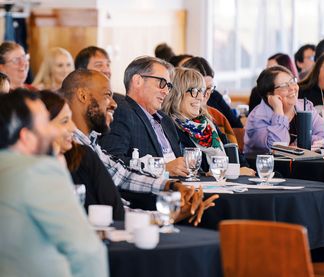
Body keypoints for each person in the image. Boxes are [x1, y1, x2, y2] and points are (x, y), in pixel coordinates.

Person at [61, 69, 217, 225]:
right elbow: (111, 214)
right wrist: (166, 217)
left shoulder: (89, 143)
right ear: (83, 96)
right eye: (107, 95)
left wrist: (171, 187)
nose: (114, 103)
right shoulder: (71, 149)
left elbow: (122, 175)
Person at [0, 90, 108, 276]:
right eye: (44, 123)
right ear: (27, 137)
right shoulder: (39, 171)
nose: (52, 130)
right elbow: (87, 251)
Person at [39, 90, 125, 220]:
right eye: (64, 121)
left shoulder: (84, 155)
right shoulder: (28, 169)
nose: (73, 128)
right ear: (39, 127)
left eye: (71, 119)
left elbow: (117, 211)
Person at [161, 67, 255, 175]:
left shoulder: (206, 123)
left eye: (202, 91)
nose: (201, 97)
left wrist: (241, 170)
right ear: (177, 94)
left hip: (228, 184)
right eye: (194, 91)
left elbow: (239, 160)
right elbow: (192, 170)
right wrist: (232, 171)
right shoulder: (169, 126)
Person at [244, 66, 324, 154]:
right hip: (267, 166)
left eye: (292, 81)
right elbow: (278, 147)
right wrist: (278, 111)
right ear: (269, 95)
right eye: (284, 85)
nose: (292, 88)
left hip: (303, 165)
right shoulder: (257, 118)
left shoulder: (305, 106)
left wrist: (297, 145)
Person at [183, 56, 244, 128]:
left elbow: (237, 125)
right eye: (199, 89)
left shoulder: (215, 96)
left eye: (209, 88)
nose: (205, 94)